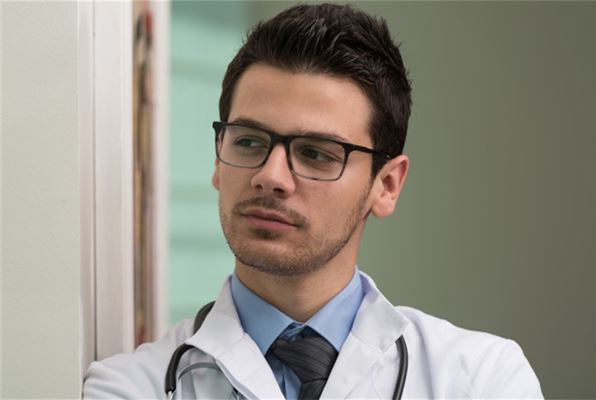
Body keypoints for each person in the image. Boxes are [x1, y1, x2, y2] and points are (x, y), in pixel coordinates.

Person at [84, 3, 543, 399]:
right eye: (249, 142)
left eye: (316, 153)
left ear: (386, 185)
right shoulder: (130, 386)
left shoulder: (481, 378)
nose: (270, 176)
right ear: (218, 161)